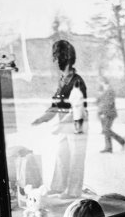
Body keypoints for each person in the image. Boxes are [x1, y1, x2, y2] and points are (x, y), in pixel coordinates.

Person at [32, 40, 88, 199]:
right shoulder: (62, 80)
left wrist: (62, 125)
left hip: (77, 125)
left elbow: (78, 110)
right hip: (66, 125)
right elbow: (56, 105)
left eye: (56, 57)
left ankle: (73, 191)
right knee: (61, 155)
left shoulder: (77, 81)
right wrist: (42, 118)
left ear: (65, 58)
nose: (54, 61)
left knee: (76, 159)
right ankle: (58, 187)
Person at [96, 76, 125, 153]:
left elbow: (109, 103)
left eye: (100, 81)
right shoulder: (104, 90)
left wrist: (104, 113)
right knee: (106, 130)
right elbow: (99, 101)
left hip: (109, 114)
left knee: (106, 130)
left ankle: (121, 141)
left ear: (103, 82)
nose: (99, 83)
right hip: (104, 113)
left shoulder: (110, 90)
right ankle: (108, 148)